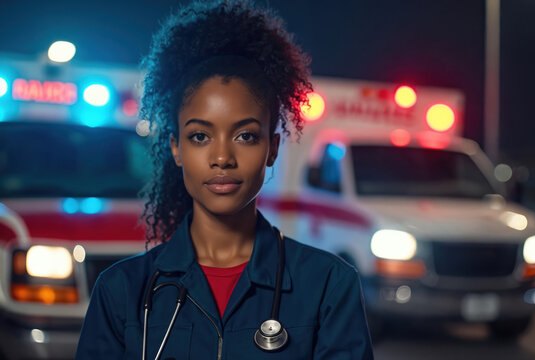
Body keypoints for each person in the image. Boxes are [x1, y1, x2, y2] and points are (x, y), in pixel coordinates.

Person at [74, 1, 374, 359]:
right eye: (200, 136)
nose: (222, 158)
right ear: (176, 149)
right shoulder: (121, 290)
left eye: (245, 136)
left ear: (272, 148)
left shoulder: (329, 285)